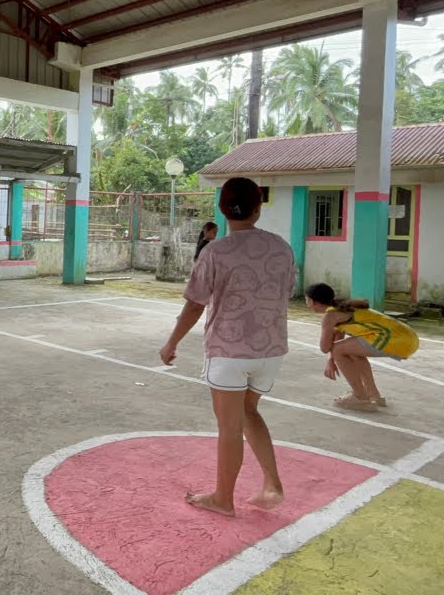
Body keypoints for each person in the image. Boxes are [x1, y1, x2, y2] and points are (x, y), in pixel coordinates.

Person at [158, 177, 294, 517]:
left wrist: (172, 341)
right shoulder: (281, 247)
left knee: (230, 426)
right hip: (271, 348)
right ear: (258, 208)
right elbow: (286, 290)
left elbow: (195, 304)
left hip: (229, 350)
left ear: (223, 211)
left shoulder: (215, 251)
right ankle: (272, 483)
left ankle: (223, 499)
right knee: (249, 412)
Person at [305, 283, 420, 412]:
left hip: (394, 339)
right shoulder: (342, 307)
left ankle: (360, 397)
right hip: (407, 337)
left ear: (311, 301)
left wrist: (328, 334)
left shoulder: (330, 316)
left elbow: (325, 348)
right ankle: (373, 394)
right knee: (350, 350)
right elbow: (339, 340)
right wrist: (331, 360)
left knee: (339, 349)